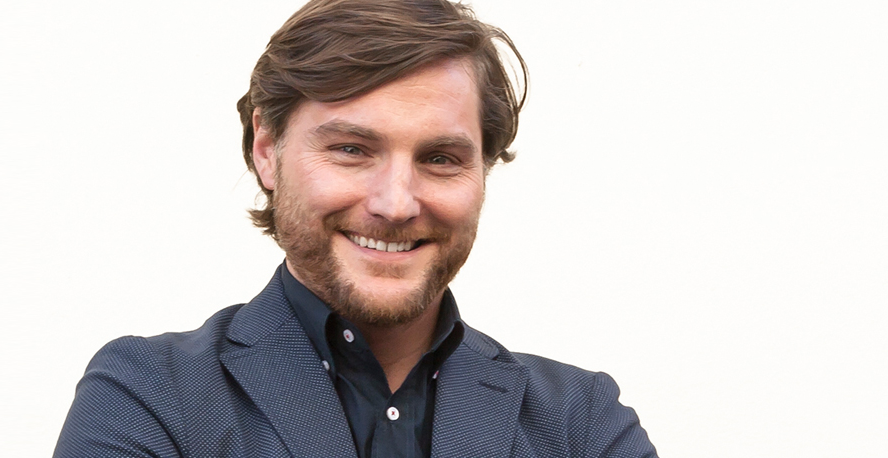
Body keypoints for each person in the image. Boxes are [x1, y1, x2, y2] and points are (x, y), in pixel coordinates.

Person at [54, 0, 657, 457]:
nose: (396, 204)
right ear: (266, 149)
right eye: (351, 149)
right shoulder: (149, 398)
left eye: (440, 158)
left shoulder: (582, 423)